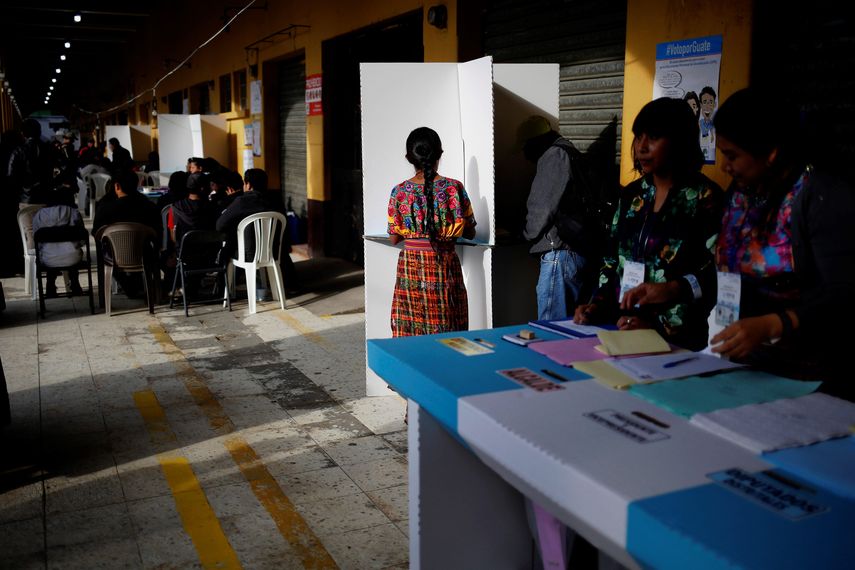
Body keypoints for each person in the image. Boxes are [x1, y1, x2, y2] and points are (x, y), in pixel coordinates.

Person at [708, 88, 855, 400]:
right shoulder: (742, 193)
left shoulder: (820, 196)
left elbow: (843, 294)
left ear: (771, 153)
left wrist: (774, 324)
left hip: (811, 372)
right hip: (749, 363)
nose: (724, 167)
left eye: (732, 156)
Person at [575, 97, 723, 351]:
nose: (641, 147)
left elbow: (717, 273)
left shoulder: (706, 198)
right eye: (638, 137)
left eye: (653, 138)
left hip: (677, 340)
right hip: (620, 330)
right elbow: (611, 259)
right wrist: (596, 305)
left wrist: (673, 289)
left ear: (679, 141)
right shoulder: (631, 195)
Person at [386, 127, 476, 337]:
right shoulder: (453, 188)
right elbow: (470, 232)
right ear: (439, 154)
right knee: (447, 331)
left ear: (409, 158)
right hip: (443, 267)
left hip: (410, 271)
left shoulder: (399, 192)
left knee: (411, 333)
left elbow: (394, 238)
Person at [520, 115, 592, 320]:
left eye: (525, 147)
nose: (525, 156)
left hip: (559, 256)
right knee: (567, 327)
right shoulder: (569, 152)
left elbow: (542, 207)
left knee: (551, 327)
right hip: (572, 254)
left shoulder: (554, 156)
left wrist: (526, 234)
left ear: (536, 141)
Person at [32, 190, 85, 298]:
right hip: (73, 257)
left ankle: (50, 285)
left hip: (48, 259)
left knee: (50, 253)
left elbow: (37, 240)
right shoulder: (73, 212)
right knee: (71, 251)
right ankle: (75, 283)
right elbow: (82, 239)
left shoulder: (39, 215)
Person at [7, 118, 54, 205]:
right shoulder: (48, 149)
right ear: (39, 132)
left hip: (25, 198)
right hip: (45, 196)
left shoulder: (18, 151)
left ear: (23, 133)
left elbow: (11, 176)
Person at [699, 86, 717, 161]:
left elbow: (711, 130)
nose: (707, 106)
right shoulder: (700, 122)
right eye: (704, 102)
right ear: (701, 105)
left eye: (711, 102)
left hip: (708, 144)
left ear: (714, 104)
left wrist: (712, 135)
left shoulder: (712, 124)